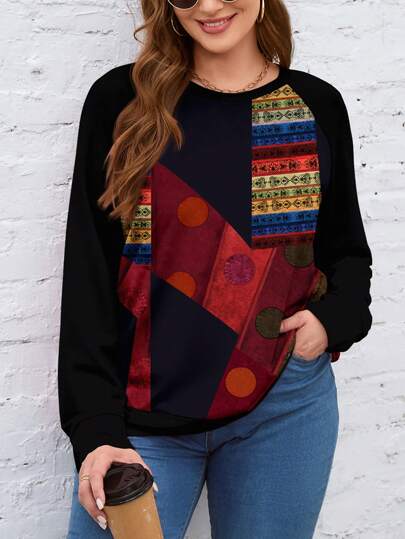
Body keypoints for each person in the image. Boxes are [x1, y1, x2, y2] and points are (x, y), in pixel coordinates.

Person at [58, 0, 373, 537]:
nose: (207, 5)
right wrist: (96, 429)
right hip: (141, 422)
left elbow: (345, 251)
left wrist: (330, 324)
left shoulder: (313, 105)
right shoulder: (125, 102)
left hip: (284, 408)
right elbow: (88, 275)